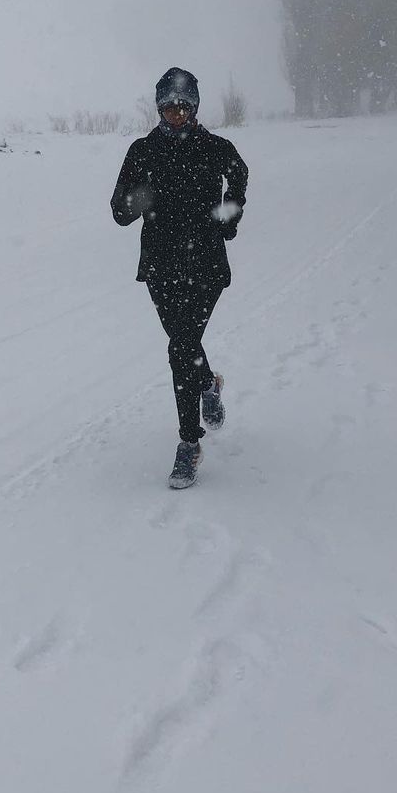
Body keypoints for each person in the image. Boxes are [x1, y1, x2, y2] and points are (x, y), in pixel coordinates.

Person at [111, 67, 249, 489]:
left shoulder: (216, 147)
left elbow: (239, 178)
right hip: (160, 266)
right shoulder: (142, 151)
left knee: (181, 347)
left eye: (183, 106)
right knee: (183, 343)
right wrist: (141, 198)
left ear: (194, 107)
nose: (176, 113)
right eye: (169, 106)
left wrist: (228, 217)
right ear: (158, 108)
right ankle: (207, 382)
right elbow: (119, 211)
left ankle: (189, 443)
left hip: (206, 264)